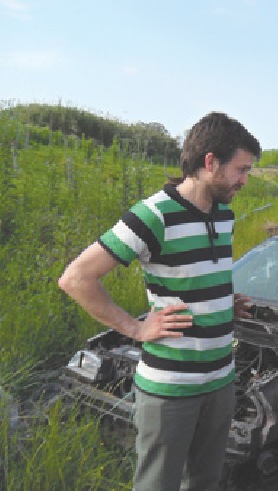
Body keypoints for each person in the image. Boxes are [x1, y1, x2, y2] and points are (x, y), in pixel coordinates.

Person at [58, 112, 261, 491]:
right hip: (171, 389)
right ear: (210, 161)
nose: (244, 181)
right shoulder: (153, 215)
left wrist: (220, 303)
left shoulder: (225, 212)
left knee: (205, 482)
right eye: (241, 169)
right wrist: (135, 328)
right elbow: (76, 278)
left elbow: (192, 275)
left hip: (220, 381)